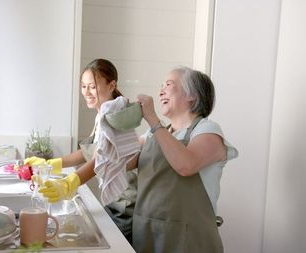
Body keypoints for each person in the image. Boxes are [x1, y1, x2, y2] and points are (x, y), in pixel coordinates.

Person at [39, 65, 238, 253]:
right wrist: (71, 182)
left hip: (189, 240)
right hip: (148, 235)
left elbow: (186, 165)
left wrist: (152, 118)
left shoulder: (208, 131)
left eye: (169, 85)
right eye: (162, 86)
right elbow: (114, 160)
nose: (161, 91)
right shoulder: (155, 135)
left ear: (192, 95)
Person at [28, 58, 137, 242]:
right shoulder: (104, 114)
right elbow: (89, 151)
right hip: (115, 201)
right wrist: (52, 164)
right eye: (83, 86)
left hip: (125, 204)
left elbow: (100, 160)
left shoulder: (114, 117)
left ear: (112, 85)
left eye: (92, 87)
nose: (86, 92)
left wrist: (70, 183)